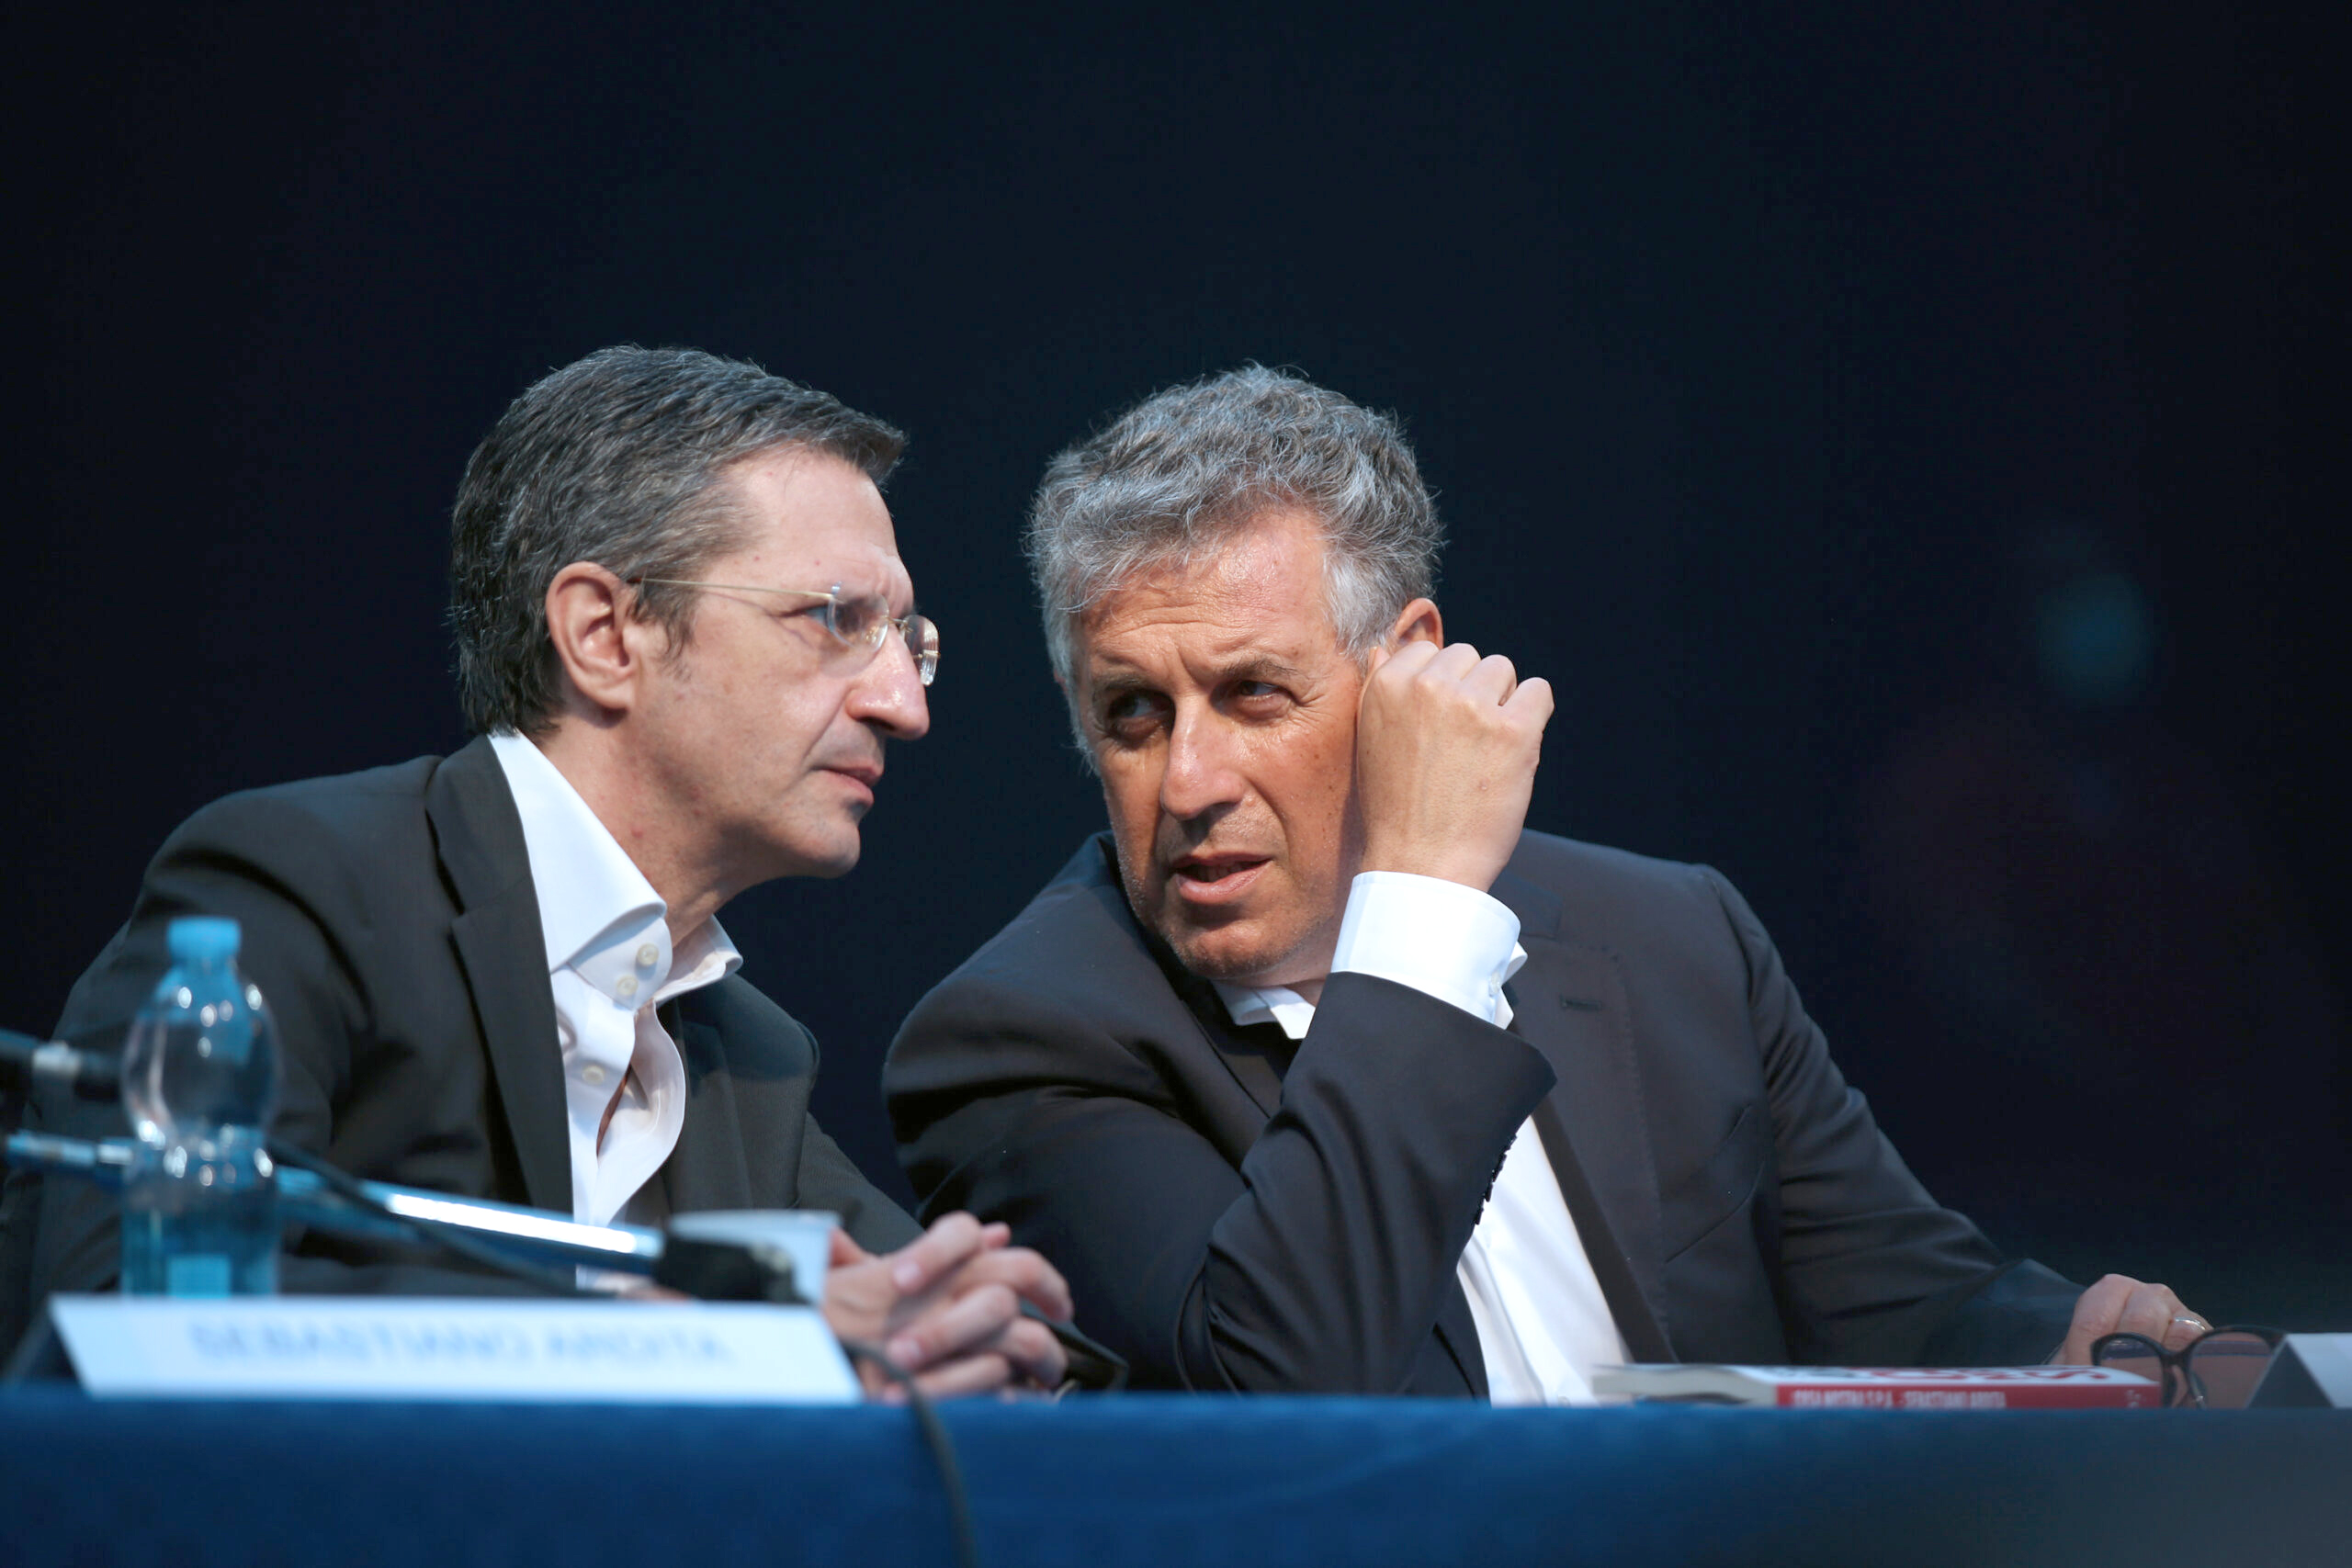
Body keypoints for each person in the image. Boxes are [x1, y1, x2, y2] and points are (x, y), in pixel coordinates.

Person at [885, 367, 2207, 1399]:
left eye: (1253, 695)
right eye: (1132, 713)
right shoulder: (1019, 1037)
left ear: (1408, 669)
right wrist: (1420, 916)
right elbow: (1288, 1374)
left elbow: (1913, 1313)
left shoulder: (1673, 935)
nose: (1186, 780)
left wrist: (2086, 1341)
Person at [2, 346, 1069, 1399]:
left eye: (907, 640)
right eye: (835, 619)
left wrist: (976, 1343)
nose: (903, 704)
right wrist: (687, 1340)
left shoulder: (740, 1054)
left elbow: (936, 1329)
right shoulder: (305, 890)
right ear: (603, 634)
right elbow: (135, 1307)